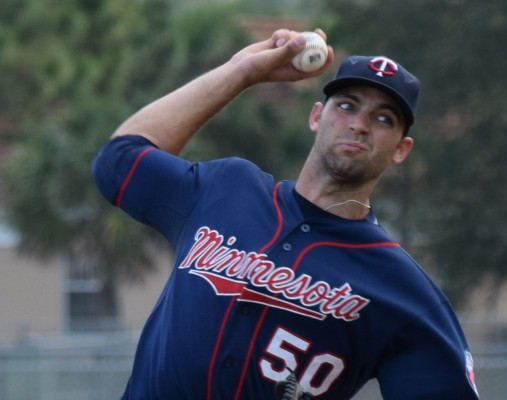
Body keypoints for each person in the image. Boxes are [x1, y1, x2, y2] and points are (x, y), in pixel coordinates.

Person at [92, 28, 479, 400]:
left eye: (383, 119)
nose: (359, 125)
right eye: (346, 106)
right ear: (316, 117)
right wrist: (241, 73)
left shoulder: (402, 291)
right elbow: (118, 163)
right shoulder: (225, 190)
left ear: (401, 149)